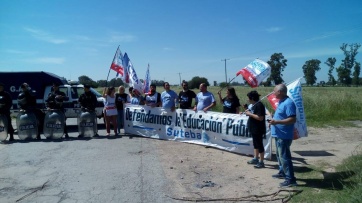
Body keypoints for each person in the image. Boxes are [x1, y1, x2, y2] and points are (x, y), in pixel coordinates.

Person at [268, 84, 297, 187]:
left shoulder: (289, 103)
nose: (273, 93)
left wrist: (277, 122)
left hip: (284, 135)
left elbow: (292, 119)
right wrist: (273, 118)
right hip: (278, 134)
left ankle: (290, 178)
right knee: (280, 157)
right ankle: (282, 172)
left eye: (274, 91)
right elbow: (281, 115)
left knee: (284, 157)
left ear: (280, 92)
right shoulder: (281, 102)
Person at [244, 91, 266, 168]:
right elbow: (253, 114)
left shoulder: (259, 105)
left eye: (249, 98)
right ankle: (255, 158)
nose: (248, 99)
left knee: (259, 144)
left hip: (258, 128)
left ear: (252, 98)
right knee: (255, 144)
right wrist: (247, 111)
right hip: (253, 127)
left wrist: (249, 114)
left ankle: (261, 161)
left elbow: (260, 117)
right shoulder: (253, 105)